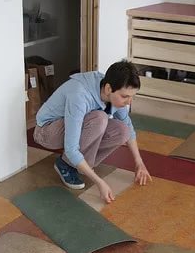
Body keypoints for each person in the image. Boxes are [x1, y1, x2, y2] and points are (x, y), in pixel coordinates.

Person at [33, 59, 152, 203]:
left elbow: (129, 128)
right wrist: (99, 182)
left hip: (70, 128)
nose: (129, 102)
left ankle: (81, 166)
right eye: (125, 96)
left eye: (132, 96)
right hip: (46, 132)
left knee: (123, 131)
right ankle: (66, 164)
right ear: (108, 89)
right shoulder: (80, 95)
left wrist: (139, 163)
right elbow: (71, 148)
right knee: (100, 118)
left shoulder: (112, 91)